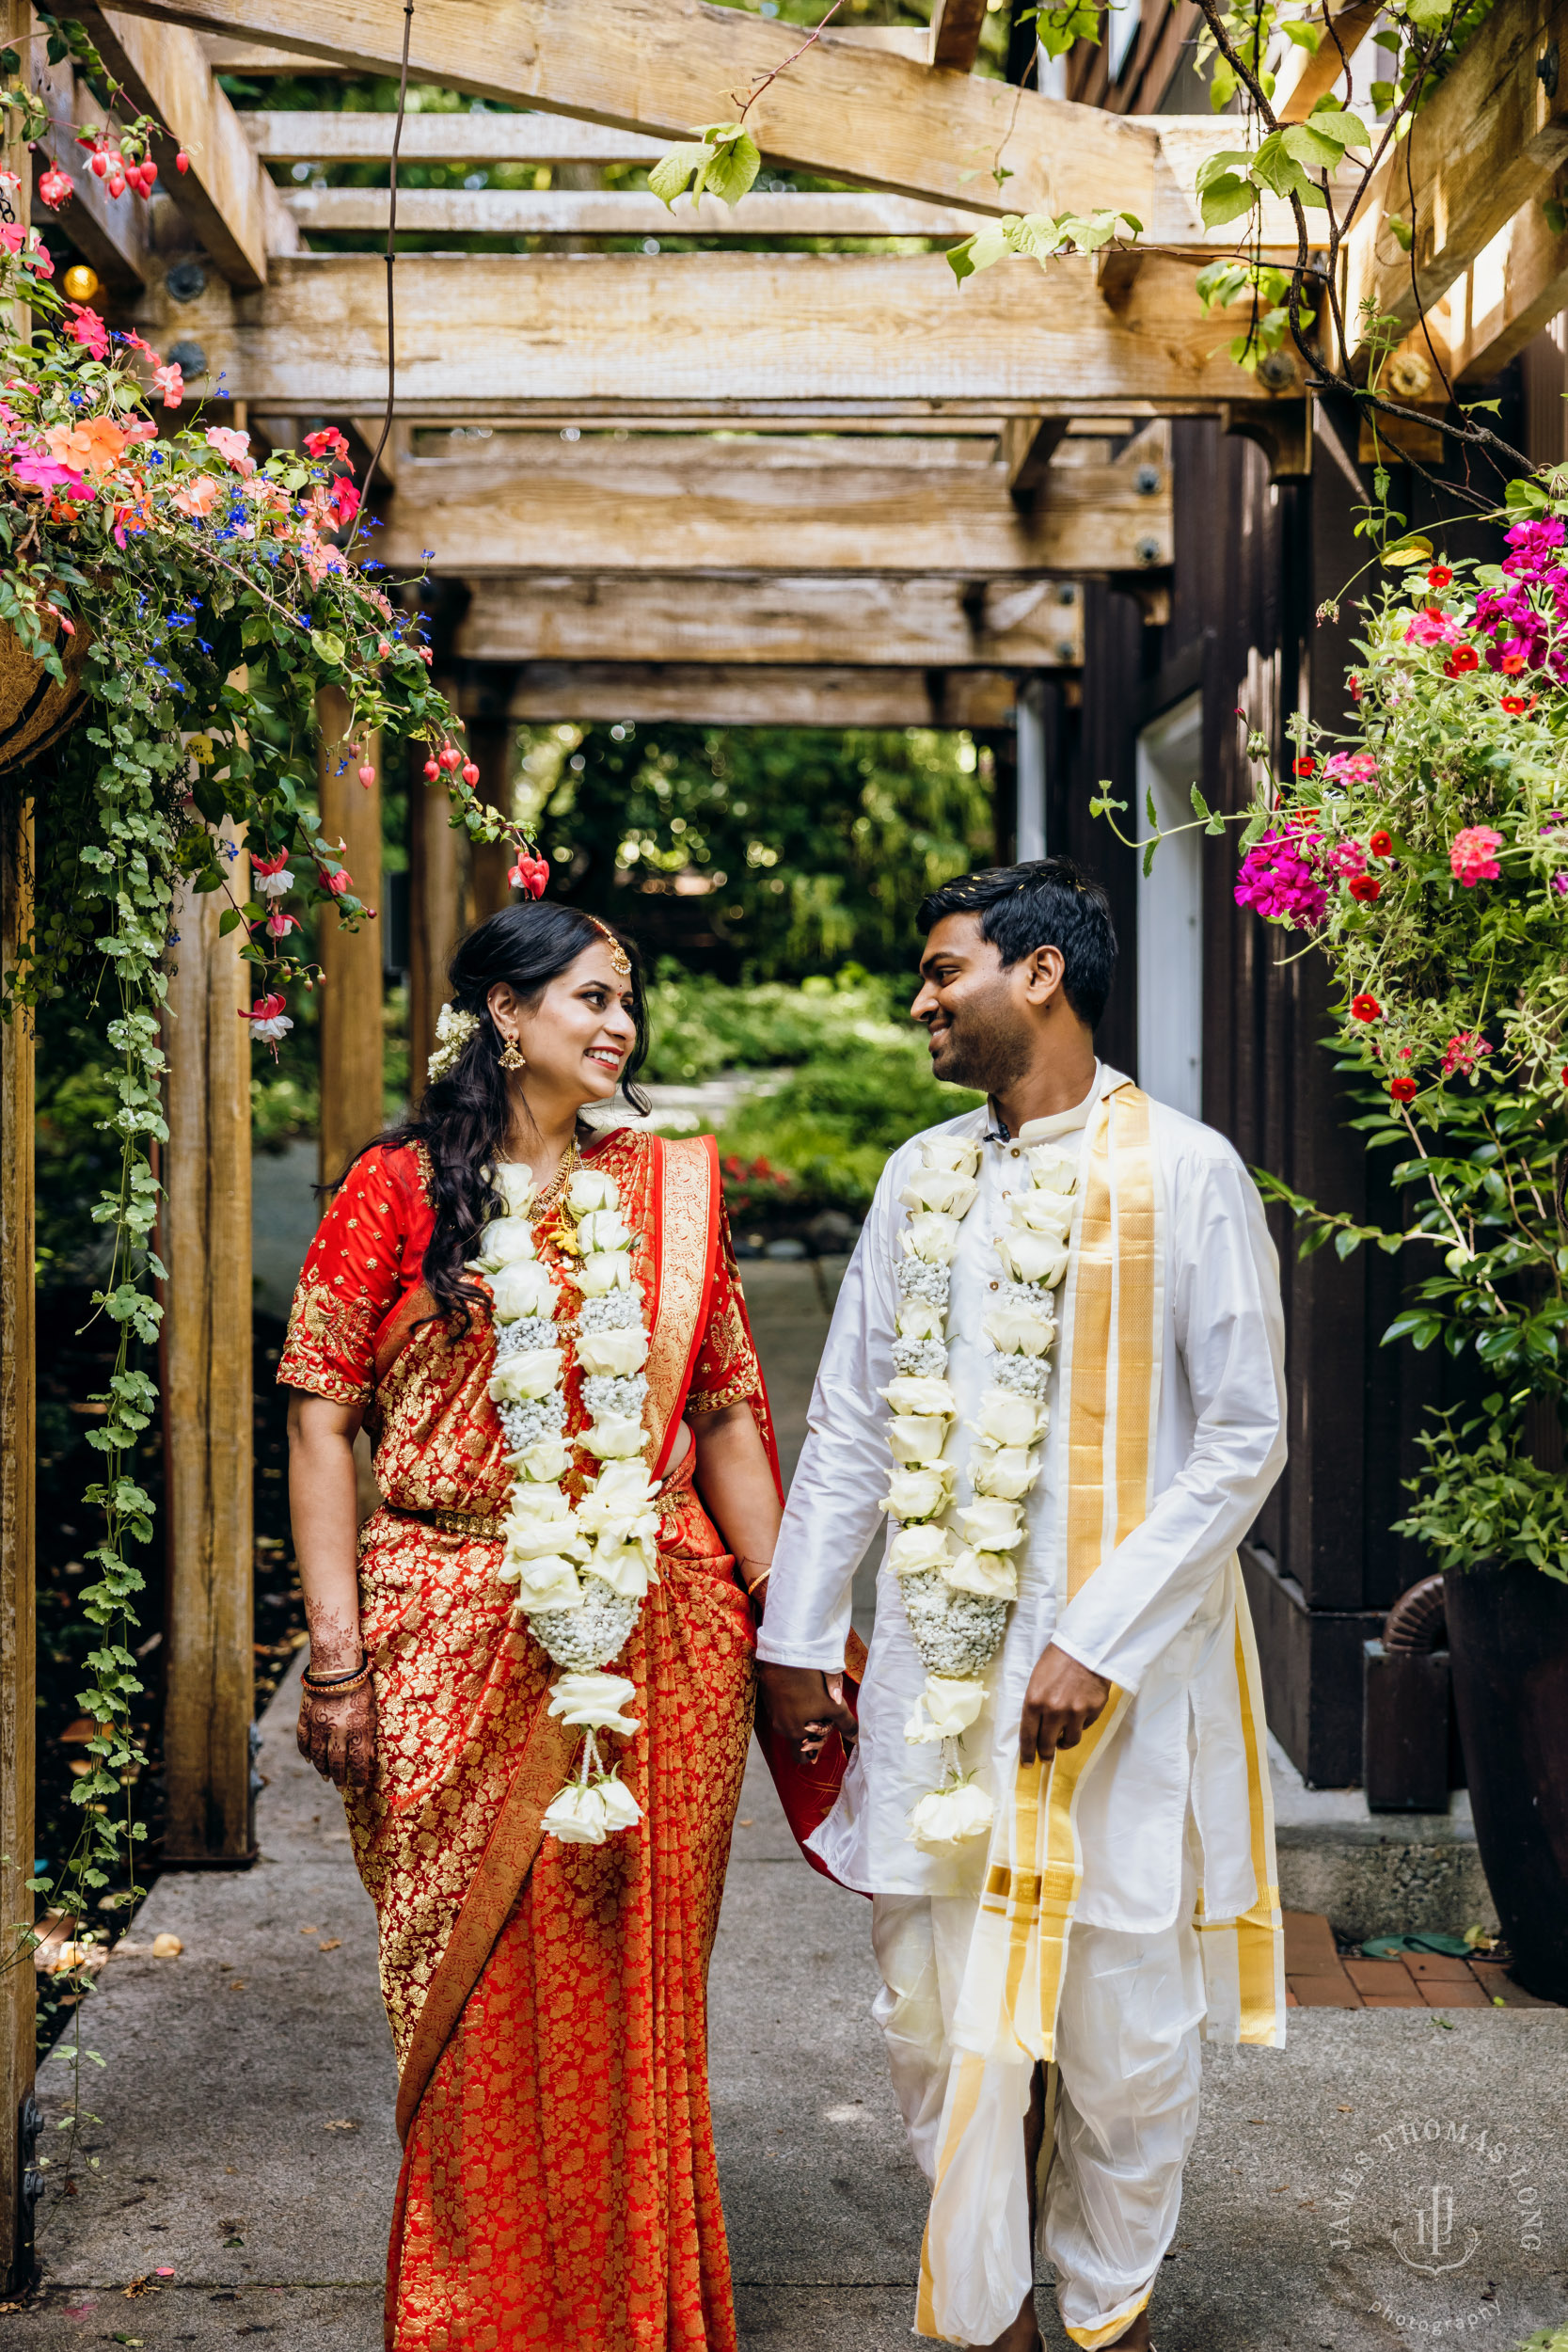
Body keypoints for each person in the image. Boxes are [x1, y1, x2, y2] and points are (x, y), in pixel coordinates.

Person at [757, 859, 1288, 2352]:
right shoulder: (919, 1177)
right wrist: (797, 1636)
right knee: (935, 2016)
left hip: (1120, 1686)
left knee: (1122, 2031)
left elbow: (1244, 1436)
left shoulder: (1187, 1172)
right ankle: (990, 2312)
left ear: (1040, 974)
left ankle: (1107, 2311)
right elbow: (851, 1423)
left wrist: (1095, 1639)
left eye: (945, 971)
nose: (920, 1001)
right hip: (942, 1675)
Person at [280, 900, 786, 2352]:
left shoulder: (666, 1188)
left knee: (636, 1986)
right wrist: (338, 1658)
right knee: (477, 1987)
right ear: (504, 1015)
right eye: (590, 997)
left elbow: (725, 1411)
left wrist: (792, 1626)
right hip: (444, 1620)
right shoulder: (394, 1187)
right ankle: (478, 2309)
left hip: (657, 1629)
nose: (620, 1024)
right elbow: (320, 1418)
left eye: (628, 1000)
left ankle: (636, 2309)